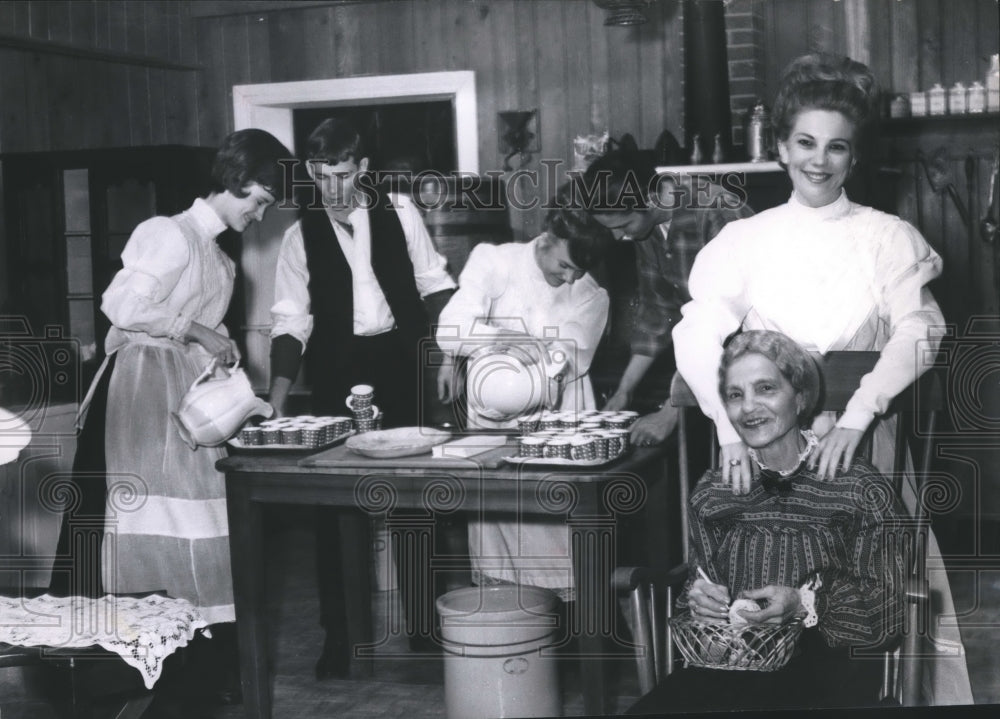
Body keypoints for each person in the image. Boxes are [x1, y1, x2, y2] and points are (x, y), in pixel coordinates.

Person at [672, 54, 972, 704]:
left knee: (873, 608)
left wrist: (860, 415)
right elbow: (696, 332)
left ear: (853, 155)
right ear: (780, 147)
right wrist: (726, 431)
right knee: (756, 605)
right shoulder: (745, 239)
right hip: (767, 455)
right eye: (805, 142)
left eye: (836, 146)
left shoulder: (887, 236)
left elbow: (921, 329)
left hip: (865, 447)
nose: (819, 160)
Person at [51, 128, 291, 699]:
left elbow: (207, 328)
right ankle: (120, 669)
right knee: (135, 522)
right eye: (258, 201)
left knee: (202, 520)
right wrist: (196, 329)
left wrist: (227, 362)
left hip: (185, 402)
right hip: (136, 397)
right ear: (236, 182)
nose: (259, 217)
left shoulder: (223, 262)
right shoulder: (167, 233)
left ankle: (193, 670)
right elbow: (121, 304)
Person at [629, 330, 907, 714]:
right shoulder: (715, 492)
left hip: (827, 673)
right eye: (735, 395)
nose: (749, 407)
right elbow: (701, 584)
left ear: (800, 397)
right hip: (730, 668)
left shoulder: (858, 490)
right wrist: (698, 601)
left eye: (766, 388)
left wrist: (805, 603)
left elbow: (889, 611)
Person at [267, 117, 457, 677]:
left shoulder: (400, 211)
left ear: (364, 170)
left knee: (416, 501)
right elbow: (289, 320)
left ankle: (424, 629)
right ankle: (340, 638)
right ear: (310, 173)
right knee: (336, 510)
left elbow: (435, 284)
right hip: (334, 372)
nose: (333, 190)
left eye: (344, 176)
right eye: (323, 178)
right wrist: (278, 397)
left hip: (401, 363)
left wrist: (448, 355)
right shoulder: (298, 236)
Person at [435, 205, 611, 599]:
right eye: (564, 265)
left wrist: (533, 363)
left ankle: (569, 651)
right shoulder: (495, 261)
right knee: (501, 545)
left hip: (556, 426)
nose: (568, 278)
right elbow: (450, 327)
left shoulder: (591, 295)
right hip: (492, 427)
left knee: (558, 548)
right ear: (547, 238)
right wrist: (501, 339)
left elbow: (566, 357)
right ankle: (512, 647)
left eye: (577, 271)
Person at [576, 136, 753, 447]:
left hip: (751, 361)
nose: (618, 238)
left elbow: (735, 329)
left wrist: (671, 411)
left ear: (651, 199)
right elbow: (656, 313)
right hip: (708, 363)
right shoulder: (648, 228)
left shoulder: (716, 211)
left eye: (624, 225)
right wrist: (624, 391)